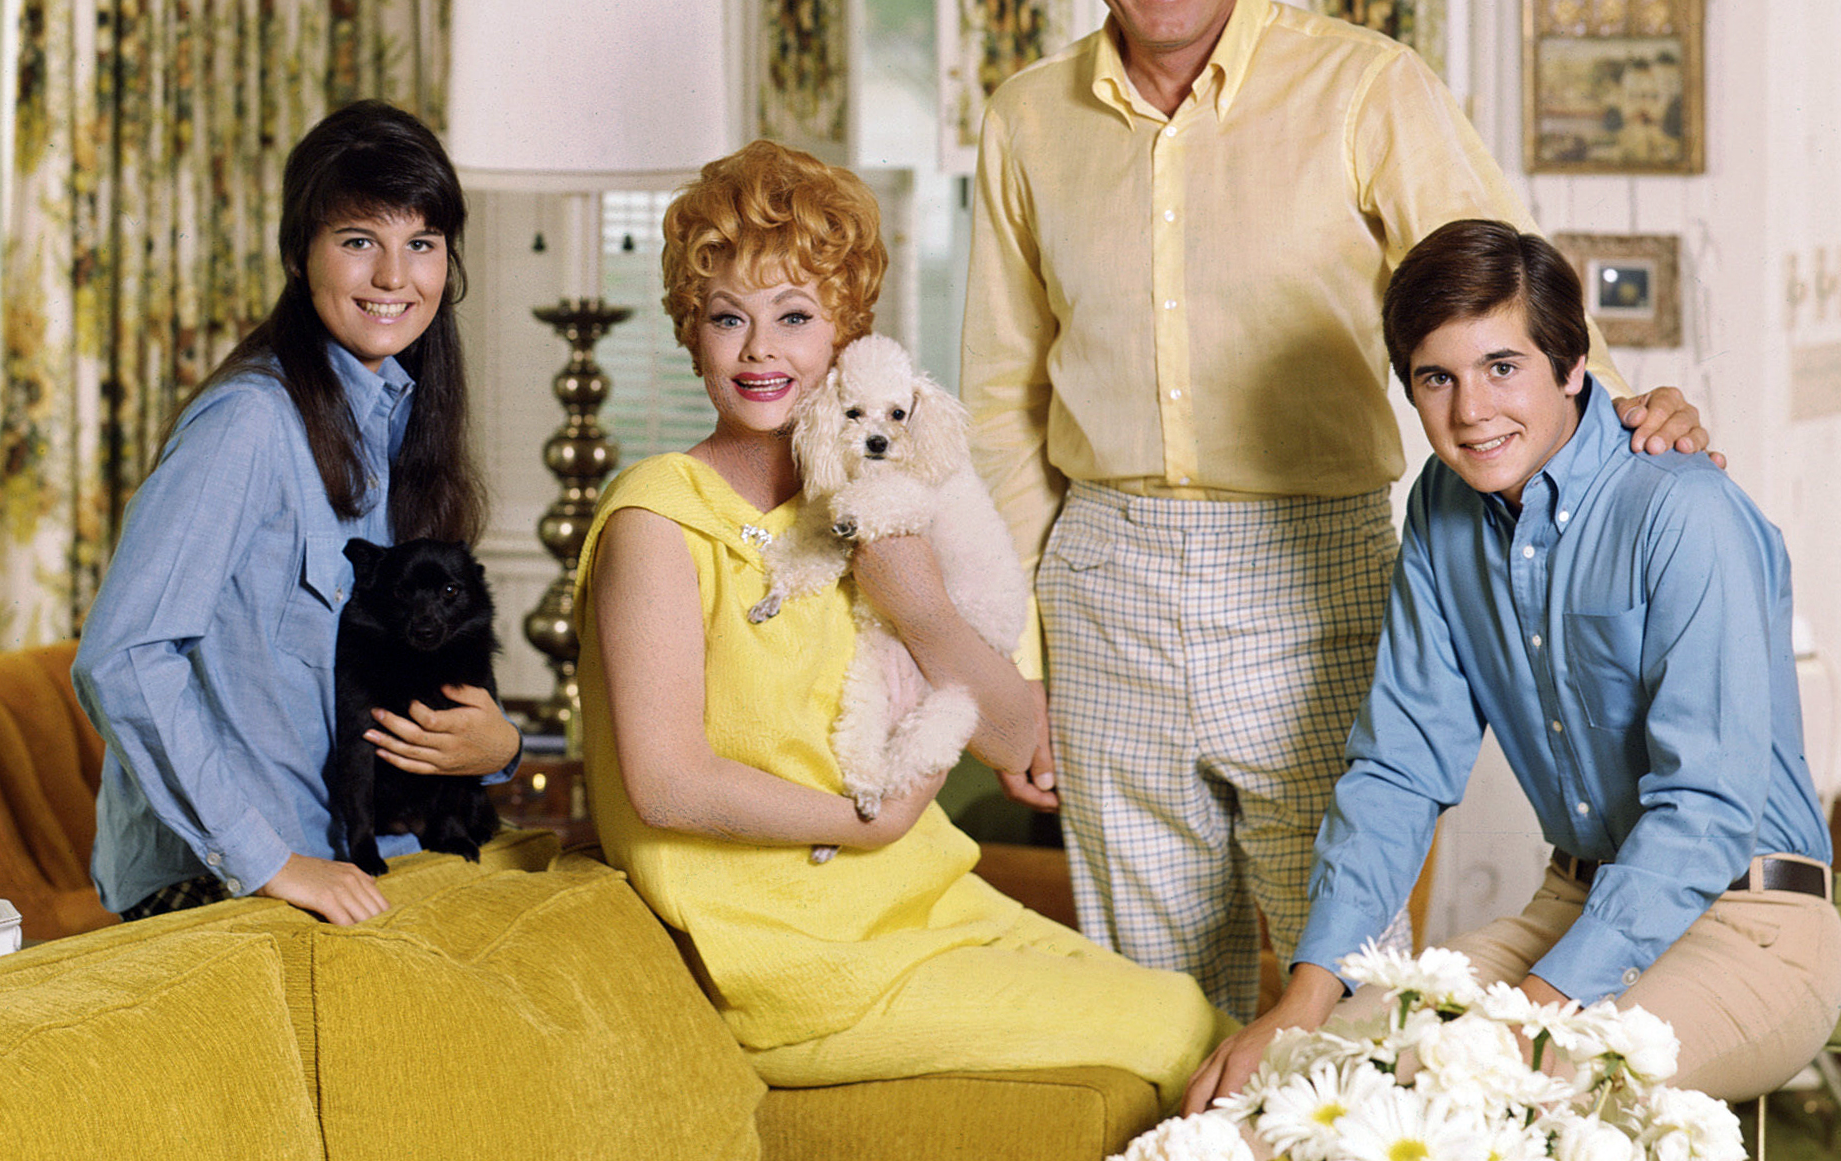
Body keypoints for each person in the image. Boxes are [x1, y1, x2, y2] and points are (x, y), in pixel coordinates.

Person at [963, 0, 1715, 1020]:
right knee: (1146, 995)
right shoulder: (1026, 120)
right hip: (1102, 578)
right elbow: (1001, 400)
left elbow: (1509, 301)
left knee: (1351, 971)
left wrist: (1634, 430)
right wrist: (1020, 660)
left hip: (1311, 570)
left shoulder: (1366, 87)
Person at [577, 139, 1230, 1102]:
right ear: (691, 335)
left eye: (794, 316)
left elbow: (1015, 735)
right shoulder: (655, 518)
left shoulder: (885, 493)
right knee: (1181, 1031)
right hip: (794, 957)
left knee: (1207, 1019)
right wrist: (869, 827)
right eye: (728, 319)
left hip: (929, 910)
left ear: (848, 336)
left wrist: (914, 599)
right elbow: (668, 786)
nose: (760, 351)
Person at [1186, 221, 1841, 1108]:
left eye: (1502, 368)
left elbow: (1705, 809)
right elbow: (1398, 766)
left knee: (1497, 1095)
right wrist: (1302, 1000)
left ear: (1573, 367)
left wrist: (1530, 1016)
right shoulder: (1440, 506)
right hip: (1569, 904)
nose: (1469, 412)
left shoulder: (1684, 512)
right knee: (1308, 1086)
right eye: (1436, 378)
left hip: (1752, 926)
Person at [74, 101, 521, 925]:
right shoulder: (249, 423)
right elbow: (122, 657)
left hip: (364, 862)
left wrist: (498, 750)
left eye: (419, 244)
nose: (394, 277)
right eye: (359, 242)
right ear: (297, 253)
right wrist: (270, 861)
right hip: (230, 886)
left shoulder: (399, 418)